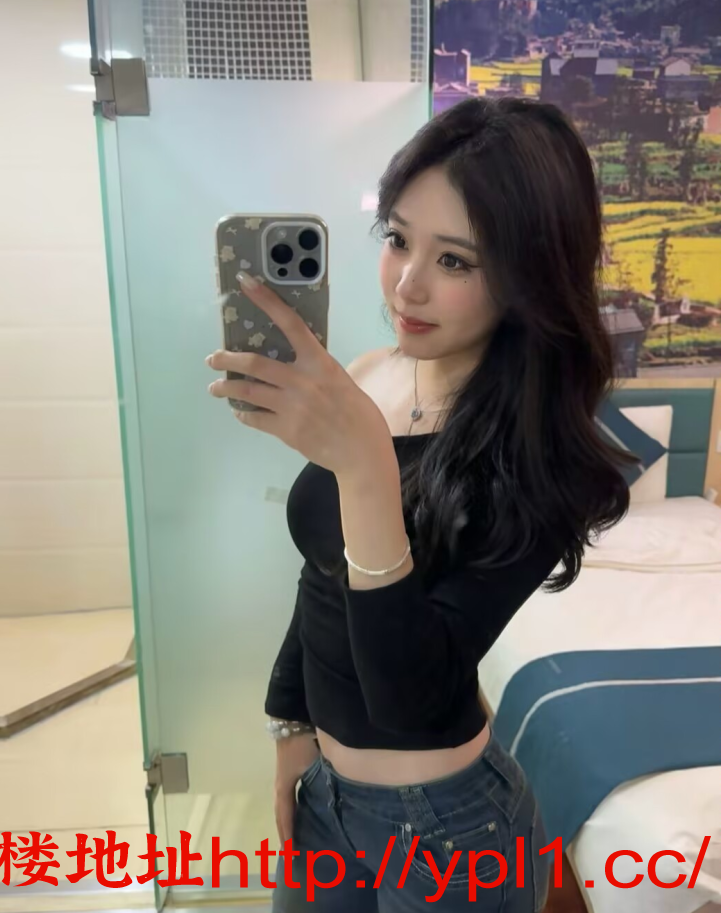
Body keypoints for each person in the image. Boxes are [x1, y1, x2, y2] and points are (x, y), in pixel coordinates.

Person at [206, 97, 630, 911]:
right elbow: (322, 574)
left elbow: (407, 696)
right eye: (398, 239)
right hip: (326, 797)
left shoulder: (545, 458)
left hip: (447, 830)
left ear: (528, 275)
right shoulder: (370, 373)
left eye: (456, 261)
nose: (407, 284)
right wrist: (289, 726)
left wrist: (364, 466)